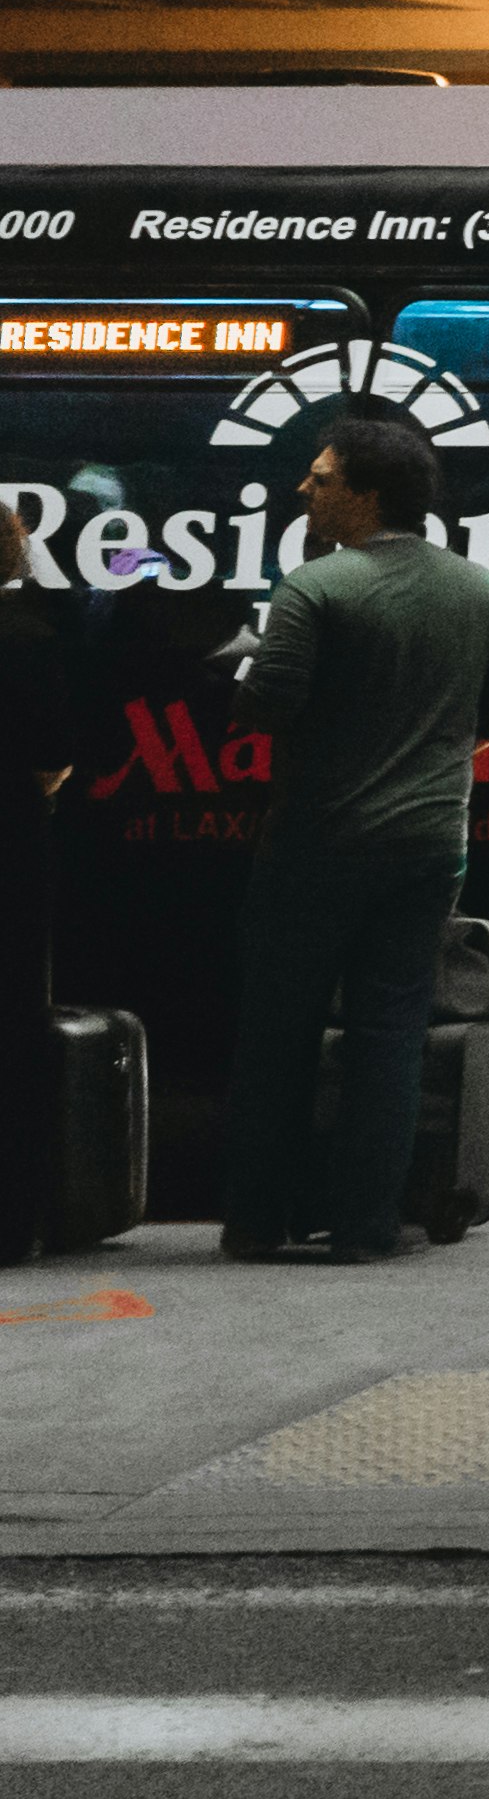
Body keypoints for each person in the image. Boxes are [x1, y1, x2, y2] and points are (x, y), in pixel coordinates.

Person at [214, 408, 489, 1264]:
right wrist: (446, 748)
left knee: (278, 1032)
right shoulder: (476, 588)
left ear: (365, 494)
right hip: (432, 844)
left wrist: (243, 665)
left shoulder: (317, 587)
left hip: (318, 842)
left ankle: (259, 1219)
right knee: (391, 1033)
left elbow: (267, 705)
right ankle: (365, 1227)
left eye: (321, 479)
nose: (304, 489)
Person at [0, 514, 74, 1268]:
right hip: (10, 846)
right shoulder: (25, 638)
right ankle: (11, 1219)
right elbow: (53, 758)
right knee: (13, 1025)